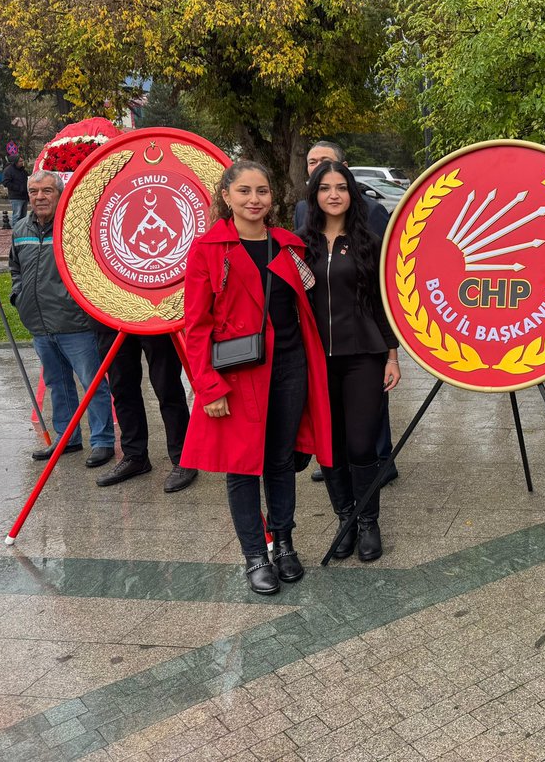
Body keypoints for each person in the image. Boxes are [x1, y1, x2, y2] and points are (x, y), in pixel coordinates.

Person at [179, 160, 332, 595]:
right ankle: (255, 555)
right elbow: (196, 326)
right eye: (244, 191)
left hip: (289, 367)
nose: (254, 199)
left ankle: (284, 544)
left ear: (272, 197)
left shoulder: (288, 246)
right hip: (237, 373)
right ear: (226, 196)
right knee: (242, 467)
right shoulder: (209, 249)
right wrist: (208, 386)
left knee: (281, 460)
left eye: (261, 191)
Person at [301, 160, 401, 562]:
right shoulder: (299, 244)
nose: (334, 195)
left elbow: (383, 304)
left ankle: (367, 521)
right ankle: (345, 519)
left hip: (364, 356)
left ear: (352, 193)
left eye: (341, 187)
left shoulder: (367, 242)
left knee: (361, 445)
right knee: (331, 446)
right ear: (314, 195)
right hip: (315, 360)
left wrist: (392, 355)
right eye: (325, 188)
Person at [11, 171, 116, 467]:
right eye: (34, 191)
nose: (39, 197)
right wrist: (19, 296)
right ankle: (68, 437)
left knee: (91, 382)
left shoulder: (73, 228)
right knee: (57, 384)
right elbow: (15, 268)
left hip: (75, 323)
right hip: (40, 323)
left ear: (60, 193)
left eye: (47, 191)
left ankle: (102, 440)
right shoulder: (20, 229)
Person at [89, 322, 194, 492]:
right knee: (121, 389)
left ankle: (183, 458)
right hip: (111, 317)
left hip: (155, 314)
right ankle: (135, 455)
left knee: (167, 386)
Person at [2, 154, 29, 222]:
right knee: (17, 216)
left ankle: (21, 228)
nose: (22, 163)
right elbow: (6, 182)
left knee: (23, 217)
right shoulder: (9, 170)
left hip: (24, 196)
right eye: (20, 161)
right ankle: (15, 228)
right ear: (15, 162)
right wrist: (19, 188)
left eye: (22, 161)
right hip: (16, 197)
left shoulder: (23, 170)